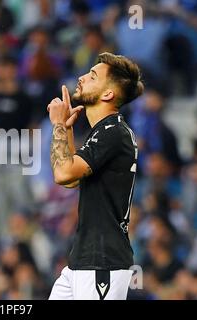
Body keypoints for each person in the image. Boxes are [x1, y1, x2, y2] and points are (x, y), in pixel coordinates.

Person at [47, 52, 144, 300]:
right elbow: (71, 179)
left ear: (108, 94)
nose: (81, 77)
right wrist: (67, 129)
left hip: (103, 263)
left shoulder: (113, 132)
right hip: (82, 261)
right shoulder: (104, 131)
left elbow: (62, 174)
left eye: (92, 76)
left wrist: (57, 124)